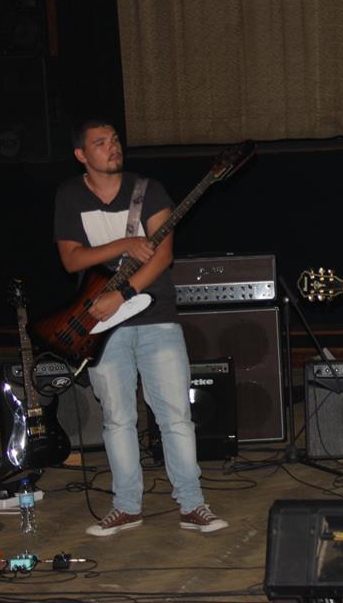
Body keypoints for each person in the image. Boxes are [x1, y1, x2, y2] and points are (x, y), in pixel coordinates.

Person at [53, 118, 228, 537]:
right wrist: (123, 245)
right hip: (102, 323)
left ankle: (192, 504)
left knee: (175, 416)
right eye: (100, 142)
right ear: (81, 154)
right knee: (117, 418)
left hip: (156, 316)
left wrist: (124, 293)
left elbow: (163, 256)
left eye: (114, 139)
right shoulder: (70, 195)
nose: (112, 147)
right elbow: (72, 259)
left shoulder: (148, 190)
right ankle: (126, 507)